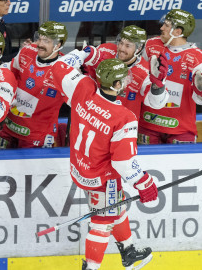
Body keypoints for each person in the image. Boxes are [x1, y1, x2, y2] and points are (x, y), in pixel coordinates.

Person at [50, 56, 157, 270]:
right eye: (123, 80)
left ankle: (129, 252)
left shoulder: (83, 86)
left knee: (116, 207)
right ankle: (91, 267)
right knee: (102, 221)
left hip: (80, 169)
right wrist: (144, 183)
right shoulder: (123, 117)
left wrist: (82, 53)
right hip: (102, 179)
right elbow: (123, 161)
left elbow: (57, 66)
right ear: (117, 85)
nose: (126, 82)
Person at [140, 9, 202, 144]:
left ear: (178, 32)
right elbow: (137, 74)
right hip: (147, 124)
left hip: (181, 130)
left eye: (167, 25)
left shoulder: (199, 58)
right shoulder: (151, 45)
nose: (161, 28)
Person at [0, 21, 70, 148]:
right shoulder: (26, 51)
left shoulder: (66, 70)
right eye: (39, 38)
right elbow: (6, 71)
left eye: (46, 41)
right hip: (10, 127)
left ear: (58, 45)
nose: (40, 44)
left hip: (37, 137)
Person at [82, 24, 169, 119]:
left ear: (139, 48)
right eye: (121, 43)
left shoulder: (145, 73)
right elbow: (87, 76)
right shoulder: (104, 50)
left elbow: (156, 104)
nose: (121, 48)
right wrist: (83, 67)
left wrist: (157, 86)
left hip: (122, 128)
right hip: (93, 119)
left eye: (128, 46)